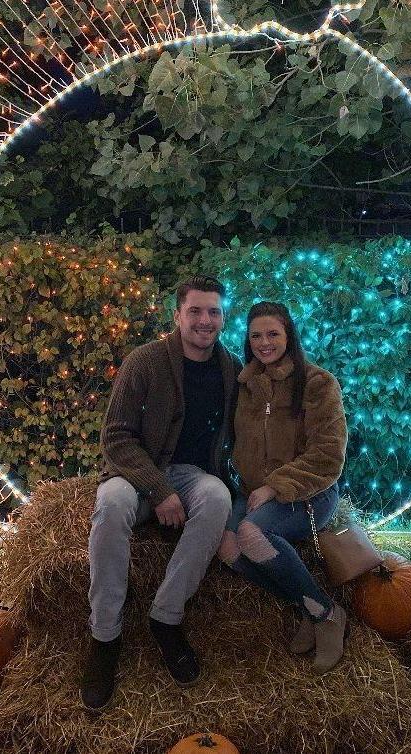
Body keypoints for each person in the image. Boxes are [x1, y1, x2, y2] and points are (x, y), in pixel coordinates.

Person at [81, 275, 242, 710]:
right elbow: (116, 437)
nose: (205, 320)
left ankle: (166, 618)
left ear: (223, 318)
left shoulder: (231, 370)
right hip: (136, 471)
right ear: (177, 316)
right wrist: (158, 489)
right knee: (111, 505)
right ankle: (105, 635)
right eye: (195, 311)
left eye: (214, 311)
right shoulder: (145, 361)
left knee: (218, 499)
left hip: (194, 475)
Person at [218, 301, 348, 674]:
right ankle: (305, 604)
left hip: (308, 492)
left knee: (251, 533)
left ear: (288, 335)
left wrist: (275, 487)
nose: (264, 343)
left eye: (273, 334)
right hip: (253, 492)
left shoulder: (318, 383)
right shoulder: (245, 386)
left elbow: (328, 456)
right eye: (256, 336)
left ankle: (327, 614)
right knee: (225, 543)